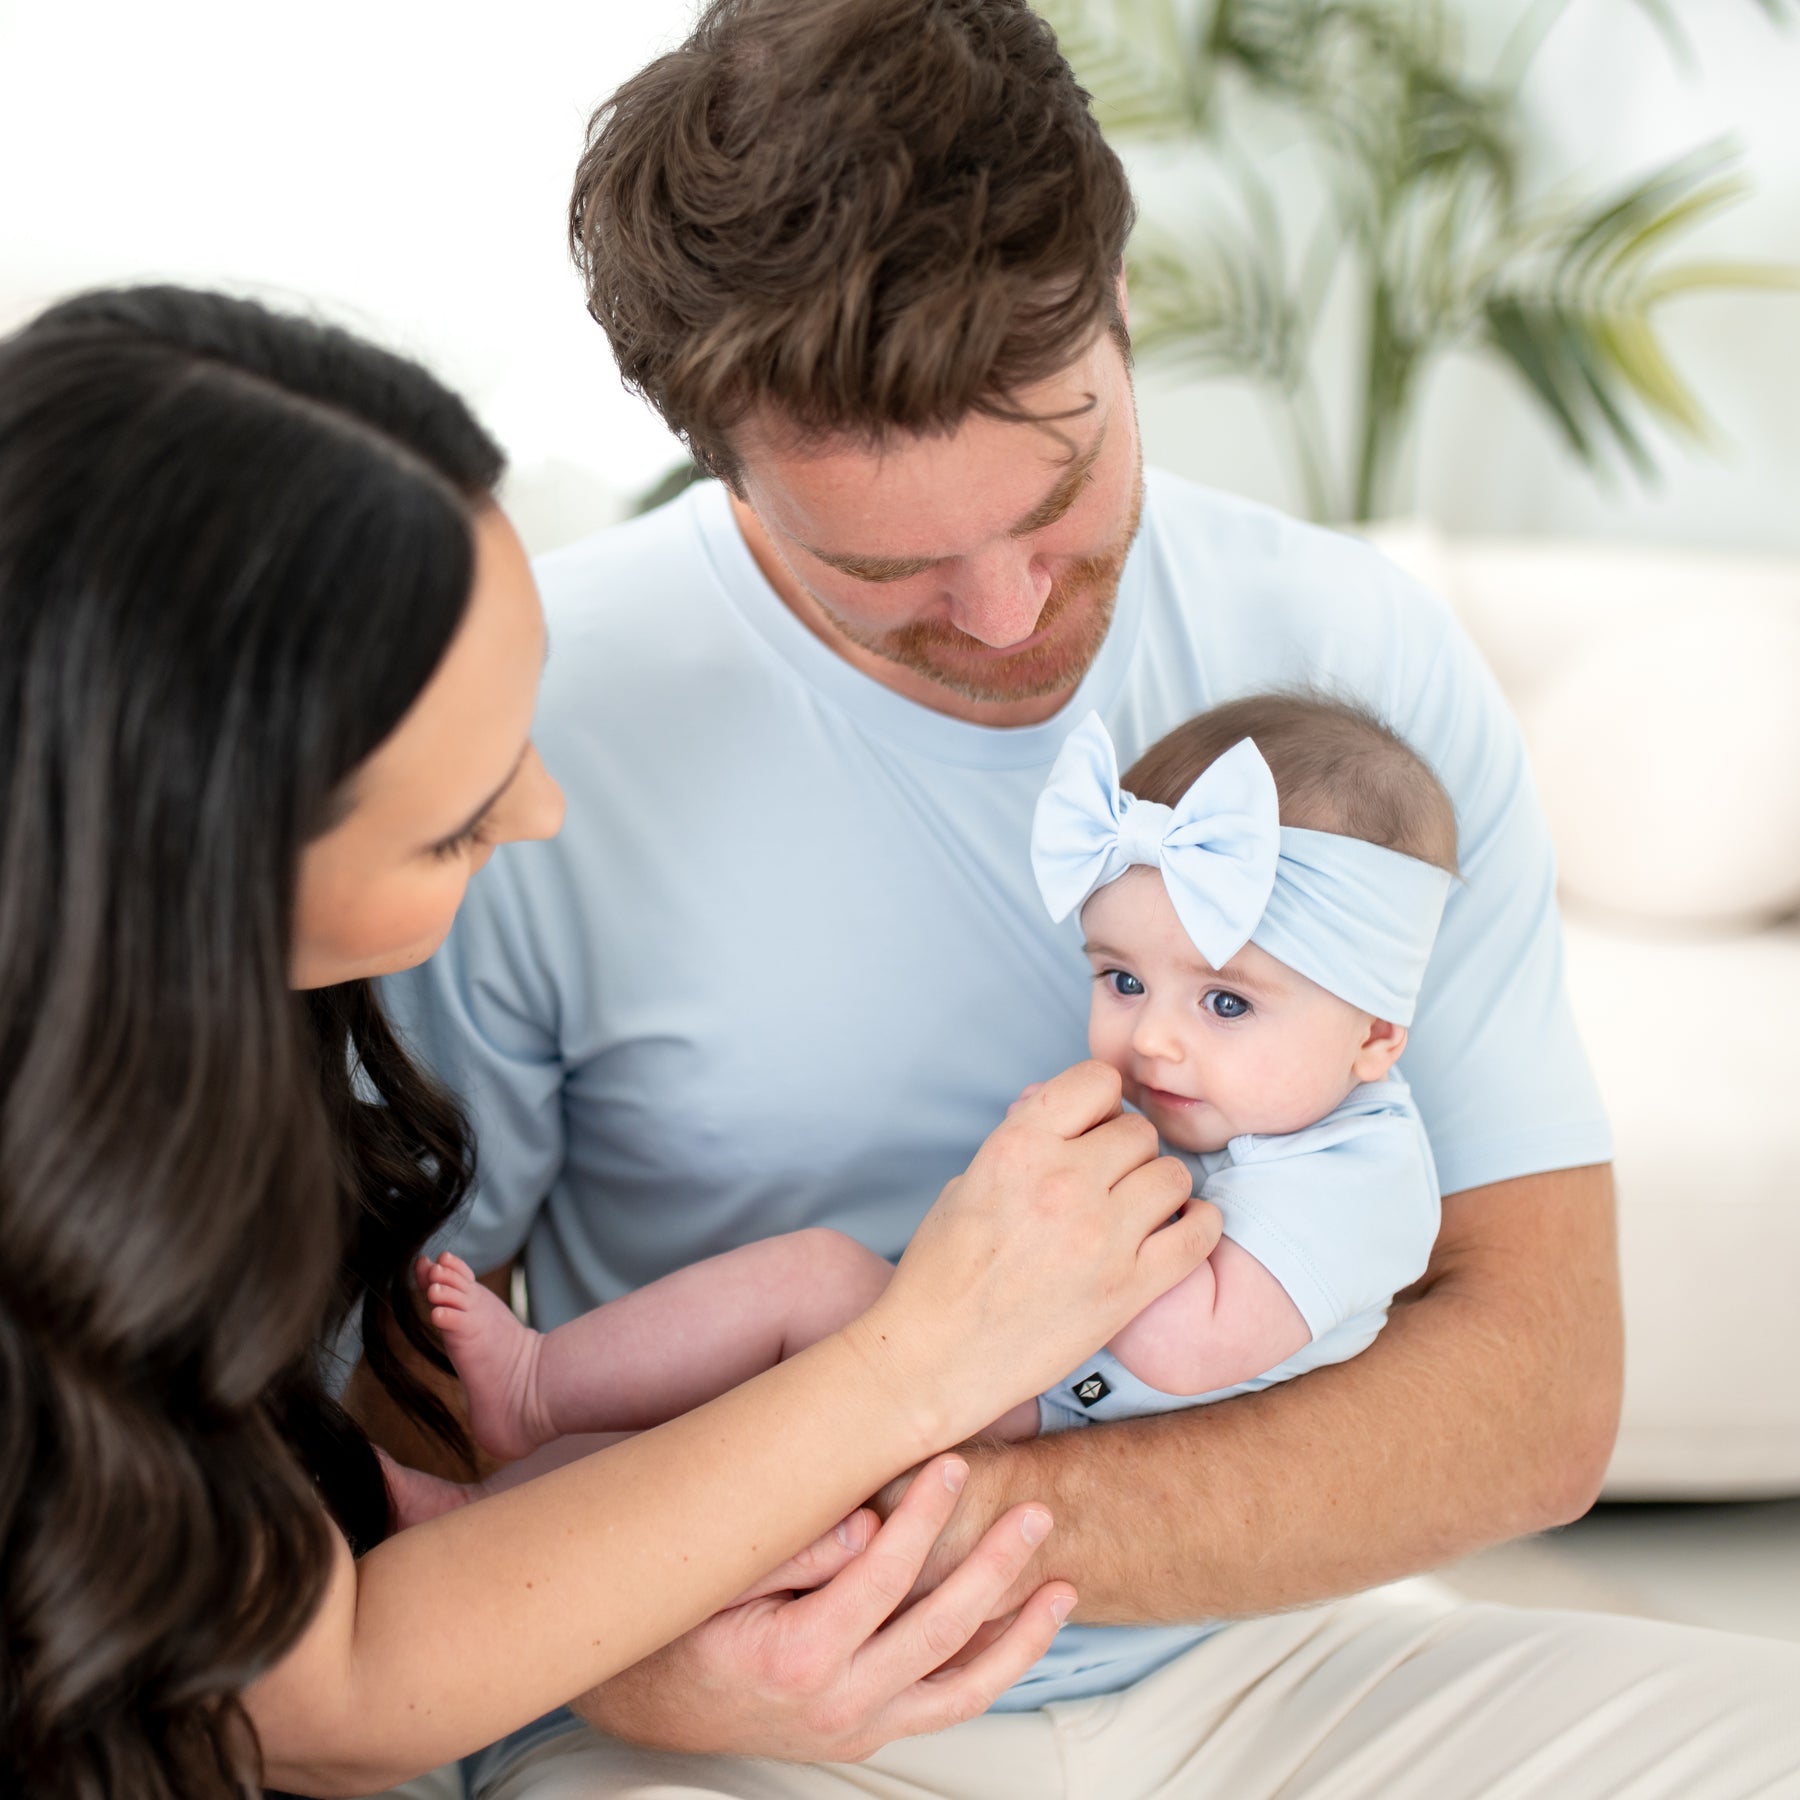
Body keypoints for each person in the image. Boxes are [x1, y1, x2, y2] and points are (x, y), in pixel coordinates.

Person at [376, 2, 1800, 1794]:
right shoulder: (526, 726)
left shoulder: (1359, 667)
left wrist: (899, 1537)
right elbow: (372, 1381)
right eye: (884, 563)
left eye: (1060, 489)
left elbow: (1535, 1385)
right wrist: (657, 1642)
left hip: (1273, 1655)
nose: (1003, 615)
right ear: (717, 458)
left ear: (1120, 301)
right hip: (730, 1713)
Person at [0, 283, 1217, 1800]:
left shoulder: (173, 1075)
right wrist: (918, 1355)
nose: (541, 813)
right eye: (454, 824)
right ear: (187, 868)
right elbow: (324, 1687)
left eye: (522, 731)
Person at [379, 690, 1451, 1530]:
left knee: (800, 1318)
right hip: (1006, 1368)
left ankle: (532, 1408)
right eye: (1123, 981)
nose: (1153, 1040)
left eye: (1224, 1002)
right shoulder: (1257, 1110)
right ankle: (499, 1493)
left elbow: (1179, 1349)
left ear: (1375, 1035)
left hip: (1038, 1419)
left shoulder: (1363, 1184)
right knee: (724, 1414)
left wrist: (1058, 1185)